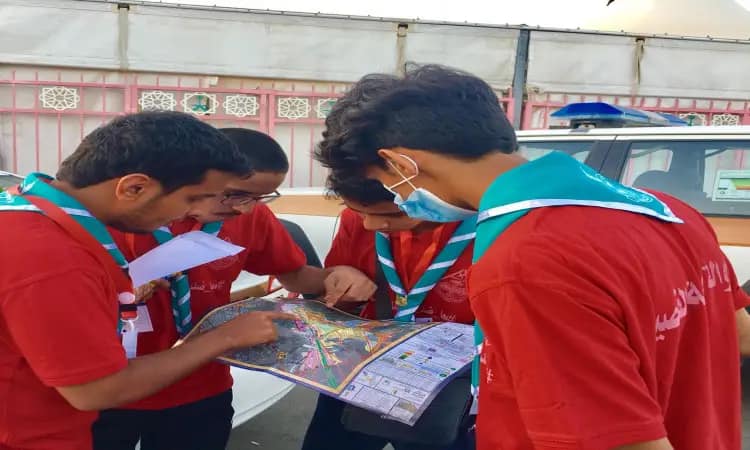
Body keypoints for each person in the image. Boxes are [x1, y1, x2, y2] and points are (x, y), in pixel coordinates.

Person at [313, 64, 750, 450]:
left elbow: (616, 441)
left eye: (388, 187)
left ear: (401, 164)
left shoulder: (526, 258)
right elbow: (740, 335)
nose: (398, 205)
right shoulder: (669, 210)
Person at [0, 112, 296, 450]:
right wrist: (226, 337)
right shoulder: (52, 257)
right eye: (190, 199)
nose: (189, 215)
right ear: (134, 187)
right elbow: (96, 389)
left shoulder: (24, 211)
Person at [92, 128, 376, 450]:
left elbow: (294, 275)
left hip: (200, 384)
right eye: (235, 195)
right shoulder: (112, 218)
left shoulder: (249, 216)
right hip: (105, 384)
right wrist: (112, 289)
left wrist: (337, 276)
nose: (245, 209)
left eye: (259, 198)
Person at [301, 176, 476, 450]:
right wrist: (340, 283)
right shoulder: (360, 218)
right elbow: (333, 302)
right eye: (360, 213)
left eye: (392, 215)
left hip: (451, 382)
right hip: (363, 368)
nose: (370, 224)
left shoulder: (491, 230)